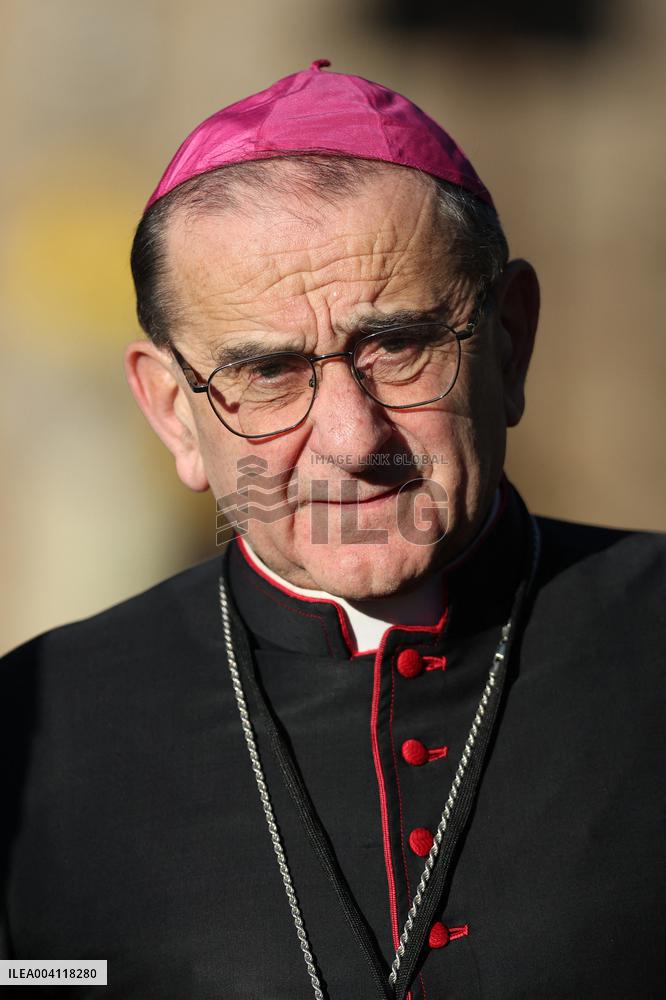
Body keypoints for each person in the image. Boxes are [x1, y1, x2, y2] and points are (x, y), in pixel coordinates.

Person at [1, 61, 663, 1000]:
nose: (352, 442)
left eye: (399, 346)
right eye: (266, 373)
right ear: (172, 413)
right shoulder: (35, 728)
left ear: (510, 342)